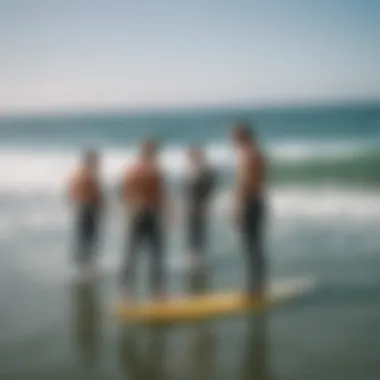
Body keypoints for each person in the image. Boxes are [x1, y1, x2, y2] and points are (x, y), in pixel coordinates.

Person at [120, 138, 168, 300]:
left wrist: (131, 207)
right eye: (153, 151)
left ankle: (129, 291)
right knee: (152, 253)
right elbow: (159, 195)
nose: (155, 154)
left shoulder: (133, 170)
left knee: (134, 253)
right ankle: (155, 292)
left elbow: (124, 193)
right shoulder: (150, 171)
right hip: (146, 214)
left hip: (140, 214)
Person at [230, 123, 266, 297]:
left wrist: (237, 207)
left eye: (233, 136)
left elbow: (244, 183)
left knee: (251, 246)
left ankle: (254, 288)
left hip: (250, 203)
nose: (231, 140)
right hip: (257, 201)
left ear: (242, 136)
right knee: (255, 245)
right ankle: (257, 285)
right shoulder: (257, 152)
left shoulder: (247, 154)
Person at [68, 150, 103, 273]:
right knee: (88, 238)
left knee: (84, 238)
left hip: (83, 209)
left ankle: (83, 265)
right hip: (88, 209)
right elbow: (96, 195)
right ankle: (85, 266)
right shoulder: (89, 175)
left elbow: (71, 192)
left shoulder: (80, 174)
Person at [183, 146, 216, 270]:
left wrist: (204, 203)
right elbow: (187, 191)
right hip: (191, 205)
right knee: (192, 231)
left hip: (199, 205)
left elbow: (209, 187)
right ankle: (194, 257)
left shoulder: (204, 171)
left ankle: (199, 258)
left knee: (199, 230)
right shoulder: (191, 170)